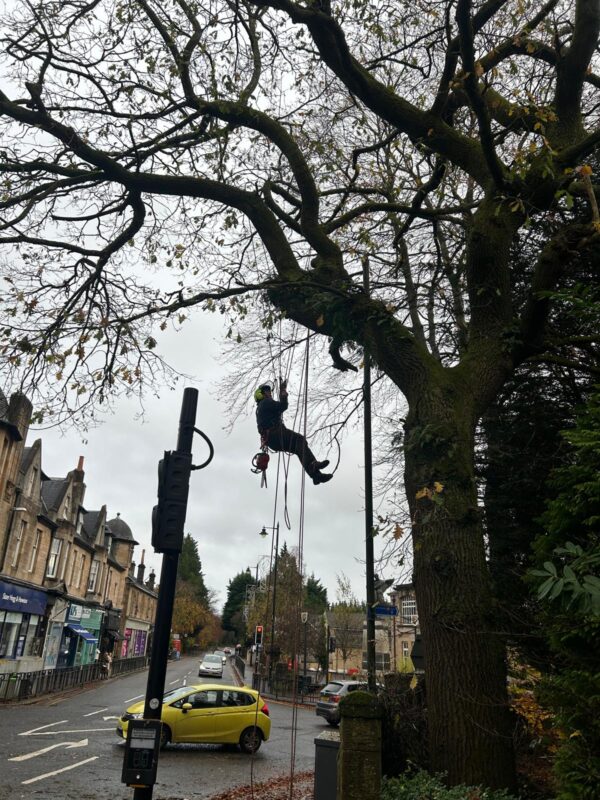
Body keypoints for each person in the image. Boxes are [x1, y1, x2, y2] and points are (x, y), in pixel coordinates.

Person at [255, 381, 333, 484]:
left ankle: (316, 475)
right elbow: (283, 406)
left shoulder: (261, 408)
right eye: (267, 391)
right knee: (299, 440)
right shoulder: (266, 402)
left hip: (272, 440)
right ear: (261, 394)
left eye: (269, 391)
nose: (270, 393)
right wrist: (283, 392)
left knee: (299, 448)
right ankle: (313, 465)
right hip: (276, 434)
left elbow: (279, 408)